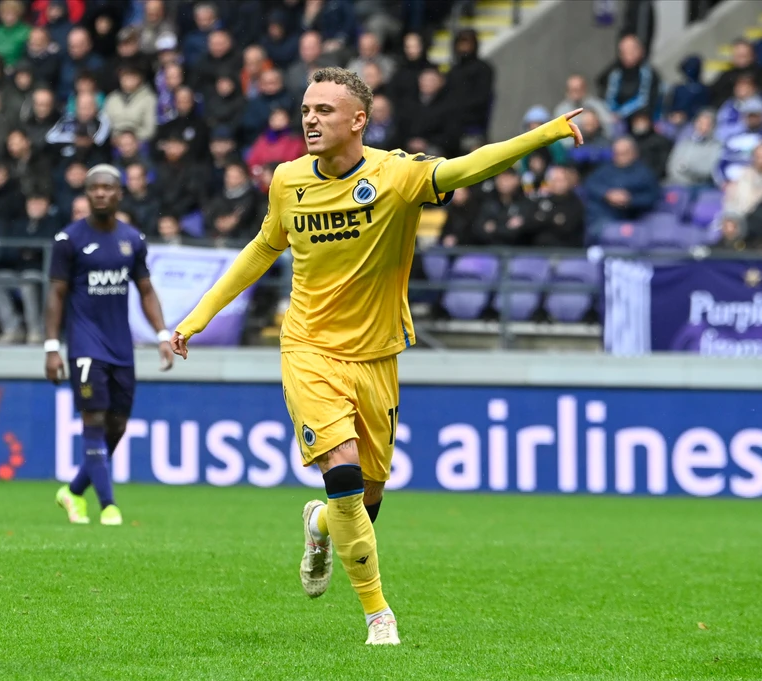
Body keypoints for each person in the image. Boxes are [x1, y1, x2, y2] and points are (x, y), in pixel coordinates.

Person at [169, 67, 583, 646]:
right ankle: (378, 615)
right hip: (309, 346)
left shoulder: (397, 175)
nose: (310, 119)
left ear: (358, 120)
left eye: (325, 111)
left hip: (376, 357)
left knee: (366, 496)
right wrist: (195, 317)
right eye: (306, 109)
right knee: (339, 470)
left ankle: (318, 523)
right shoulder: (288, 181)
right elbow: (262, 249)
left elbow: (468, 168)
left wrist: (544, 134)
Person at [47, 164, 175, 526]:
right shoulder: (68, 240)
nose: (101, 193)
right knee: (94, 419)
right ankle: (108, 506)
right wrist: (51, 347)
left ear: (120, 194)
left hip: (122, 346)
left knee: (116, 427)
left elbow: (146, 290)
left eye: (108, 188)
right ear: (87, 195)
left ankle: (72, 491)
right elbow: (55, 295)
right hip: (85, 345)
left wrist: (162, 335)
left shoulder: (132, 240)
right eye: (94, 188)